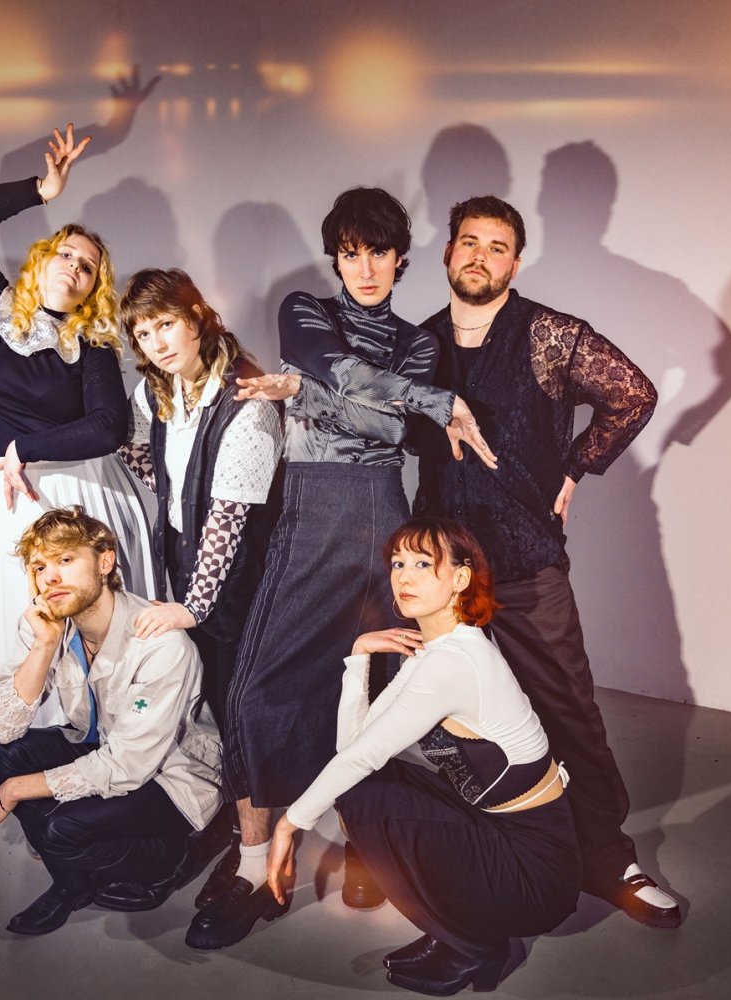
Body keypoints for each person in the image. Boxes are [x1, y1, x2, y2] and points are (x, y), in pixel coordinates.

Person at [186, 187, 494, 951]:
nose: (365, 267)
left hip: (385, 515)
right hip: (311, 507)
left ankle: (366, 845)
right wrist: (426, 402)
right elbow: (358, 387)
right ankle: (254, 863)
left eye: (379, 252)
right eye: (351, 253)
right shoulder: (305, 310)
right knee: (257, 689)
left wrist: (308, 393)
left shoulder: (418, 343)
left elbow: (387, 427)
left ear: (400, 258)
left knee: (380, 692)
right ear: (336, 257)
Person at [411, 194, 681, 928]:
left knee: (567, 709)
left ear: (515, 263)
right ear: (448, 252)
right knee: (452, 715)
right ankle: (485, 848)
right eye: (469, 242)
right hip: (441, 572)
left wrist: (576, 466)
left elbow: (634, 394)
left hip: (525, 561)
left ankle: (607, 858)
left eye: (496, 247)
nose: (480, 257)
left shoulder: (548, 336)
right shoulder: (419, 345)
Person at [267, 516, 581, 996]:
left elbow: (358, 759)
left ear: (460, 577)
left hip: (535, 874)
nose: (404, 577)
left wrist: (288, 826)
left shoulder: (454, 661)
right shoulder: (435, 650)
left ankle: (475, 945)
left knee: (363, 797)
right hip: (502, 834)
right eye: (398, 564)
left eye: (422, 564)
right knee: (364, 788)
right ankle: (453, 929)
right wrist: (359, 654)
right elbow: (353, 748)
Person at [0, 124, 153, 719]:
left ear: (93, 288)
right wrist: (41, 189)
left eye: (87, 267)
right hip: (6, 496)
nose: (74, 266)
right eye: (66, 253)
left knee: (94, 633)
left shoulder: (91, 342)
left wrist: (26, 447)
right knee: (26, 626)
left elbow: (109, 426)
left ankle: (109, 734)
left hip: (78, 490)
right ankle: (31, 733)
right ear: (43, 259)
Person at [0, 506, 224, 935]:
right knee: (4, 757)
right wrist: (44, 646)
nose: (50, 577)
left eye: (65, 559)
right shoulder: (47, 625)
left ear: (105, 562)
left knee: (58, 827)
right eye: (39, 567)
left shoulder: (161, 645)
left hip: (170, 776)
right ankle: (72, 883)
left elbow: (128, 765)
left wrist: (13, 792)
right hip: (105, 744)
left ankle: (174, 858)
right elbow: (5, 727)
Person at [118, 267, 283, 737]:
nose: (157, 344)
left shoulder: (247, 398)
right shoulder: (159, 387)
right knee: (208, 685)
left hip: (243, 566)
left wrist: (193, 607)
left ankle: (250, 777)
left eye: (166, 324)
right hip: (187, 554)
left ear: (195, 316)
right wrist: (174, 494)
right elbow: (124, 440)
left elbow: (228, 521)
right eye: (143, 334)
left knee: (241, 694)